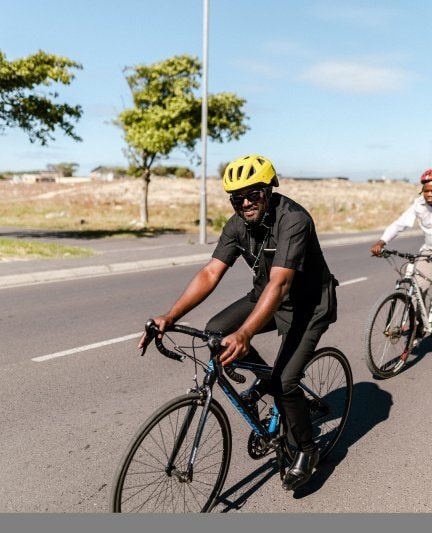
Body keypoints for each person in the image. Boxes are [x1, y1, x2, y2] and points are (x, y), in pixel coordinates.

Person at [139, 154, 338, 492]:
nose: (245, 203)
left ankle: (308, 448)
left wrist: (245, 333)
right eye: (237, 197)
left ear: (269, 190)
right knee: (215, 331)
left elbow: (281, 284)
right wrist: (170, 316)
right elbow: (210, 272)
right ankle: (268, 385)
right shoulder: (237, 224)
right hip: (264, 298)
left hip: (307, 306)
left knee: (286, 381)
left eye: (253, 194)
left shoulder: (294, 220)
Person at [370, 168, 432, 316]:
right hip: (429, 250)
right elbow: (399, 223)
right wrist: (382, 241)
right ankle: (417, 325)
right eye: (426, 191)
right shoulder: (419, 204)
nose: (429, 195)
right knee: (418, 287)